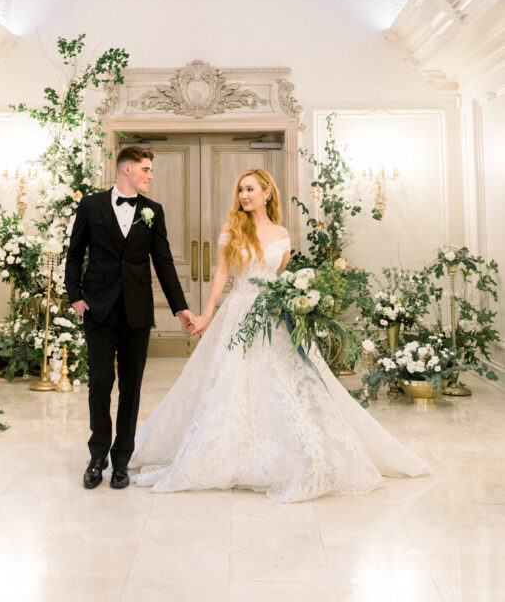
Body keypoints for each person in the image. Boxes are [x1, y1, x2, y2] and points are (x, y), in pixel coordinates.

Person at [130, 167, 430, 501]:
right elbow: (221, 273)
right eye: (241, 190)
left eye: (250, 189)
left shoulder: (282, 233)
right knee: (229, 383)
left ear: (266, 192)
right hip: (238, 312)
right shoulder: (233, 227)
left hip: (274, 316)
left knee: (284, 386)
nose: (244, 195)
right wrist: (207, 314)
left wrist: (291, 304)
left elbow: (282, 278)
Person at [65, 146, 194, 490]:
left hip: (136, 312)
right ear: (126, 170)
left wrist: (180, 307)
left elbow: (163, 262)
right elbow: (74, 254)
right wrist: (75, 296)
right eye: (146, 169)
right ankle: (97, 456)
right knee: (100, 382)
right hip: (98, 310)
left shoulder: (153, 211)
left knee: (131, 387)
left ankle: (122, 459)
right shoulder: (91, 206)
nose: (150, 176)